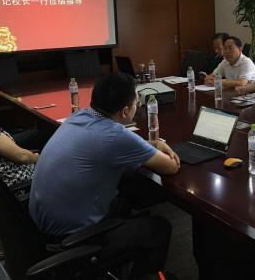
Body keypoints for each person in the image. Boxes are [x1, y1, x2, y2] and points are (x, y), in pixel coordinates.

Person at [29, 73, 180, 277]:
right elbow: (171, 167)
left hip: (40, 226)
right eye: (136, 103)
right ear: (125, 111)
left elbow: (113, 146)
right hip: (70, 237)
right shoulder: (115, 135)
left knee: (125, 200)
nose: (138, 106)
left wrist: (150, 145)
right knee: (159, 228)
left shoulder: (78, 117)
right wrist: (162, 147)